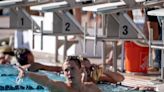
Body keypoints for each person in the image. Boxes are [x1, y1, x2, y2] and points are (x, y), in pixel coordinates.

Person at [17, 56, 101, 92]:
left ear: (80, 70)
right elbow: (47, 81)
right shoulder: (62, 88)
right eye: (66, 70)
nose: (69, 73)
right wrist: (28, 74)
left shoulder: (92, 88)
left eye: (72, 69)